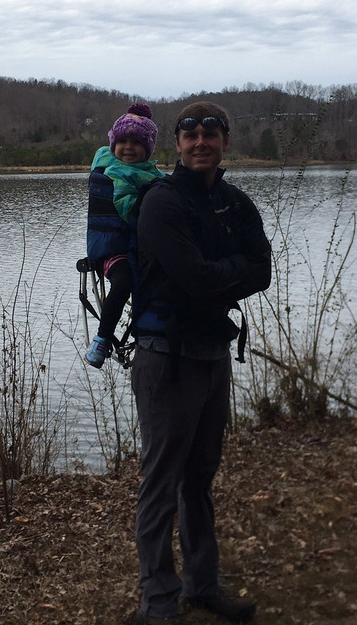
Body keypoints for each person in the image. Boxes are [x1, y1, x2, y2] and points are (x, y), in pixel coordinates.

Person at [128, 101, 272, 624]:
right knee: (161, 484)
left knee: (200, 480)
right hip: (165, 360)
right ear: (177, 143)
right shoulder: (160, 203)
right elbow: (195, 277)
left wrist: (221, 270)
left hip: (214, 357)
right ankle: (158, 604)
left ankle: (202, 585)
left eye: (211, 133)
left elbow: (263, 272)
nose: (200, 141)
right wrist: (227, 271)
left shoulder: (237, 204)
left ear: (225, 141)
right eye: (190, 134)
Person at [84, 102, 163, 368]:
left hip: (139, 250)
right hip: (113, 251)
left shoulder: (150, 174)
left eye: (136, 143)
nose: (128, 147)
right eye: (123, 141)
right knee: (123, 283)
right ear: (113, 144)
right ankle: (103, 339)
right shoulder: (116, 171)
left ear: (148, 149)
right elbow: (126, 205)